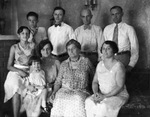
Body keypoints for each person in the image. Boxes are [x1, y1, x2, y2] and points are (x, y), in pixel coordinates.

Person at [50, 39, 95, 117]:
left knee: (77, 100)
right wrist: (54, 92)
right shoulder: (64, 64)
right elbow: (58, 81)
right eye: (68, 49)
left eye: (73, 48)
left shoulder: (86, 62)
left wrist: (94, 91)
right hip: (65, 90)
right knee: (59, 100)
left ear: (79, 49)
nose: (70, 51)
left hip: (81, 91)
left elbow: (94, 77)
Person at [85, 41, 129, 117]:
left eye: (108, 48)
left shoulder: (119, 66)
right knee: (89, 102)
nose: (105, 51)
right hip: (101, 94)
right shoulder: (100, 64)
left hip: (117, 96)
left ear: (114, 50)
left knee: (103, 106)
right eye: (103, 48)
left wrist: (105, 97)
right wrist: (96, 93)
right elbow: (95, 82)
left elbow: (119, 86)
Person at [4, 26, 35, 117]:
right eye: (22, 33)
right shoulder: (14, 47)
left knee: (32, 89)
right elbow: (9, 66)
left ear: (29, 35)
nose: (25, 35)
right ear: (19, 35)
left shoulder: (33, 46)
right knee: (16, 87)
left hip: (29, 72)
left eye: (27, 33)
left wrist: (31, 72)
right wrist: (20, 71)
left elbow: (35, 61)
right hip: (16, 72)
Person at [103, 6, 139, 72]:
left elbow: (135, 48)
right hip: (110, 58)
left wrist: (131, 65)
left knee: (122, 81)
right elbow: (104, 48)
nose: (115, 16)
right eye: (113, 14)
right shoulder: (107, 29)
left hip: (123, 58)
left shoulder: (129, 29)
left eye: (117, 14)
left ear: (122, 14)